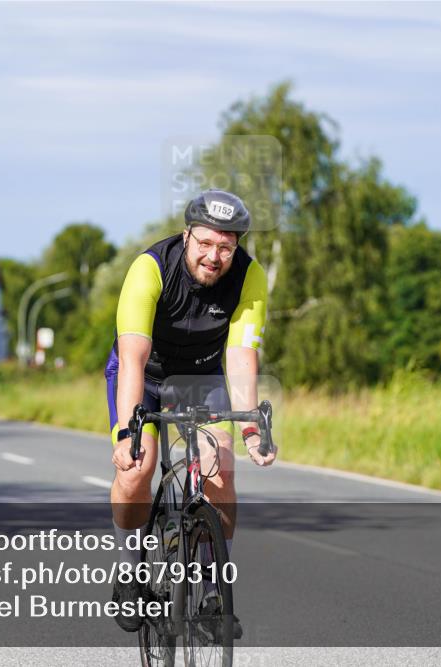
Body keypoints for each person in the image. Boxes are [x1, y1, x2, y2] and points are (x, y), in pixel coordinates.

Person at [105, 189, 276, 634]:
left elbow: (240, 357)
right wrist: (127, 432)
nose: (214, 256)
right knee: (136, 470)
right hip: (146, 374)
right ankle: (130, 574)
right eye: (205, 243)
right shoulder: (151, 268)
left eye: (226, 246)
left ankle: (213, 589)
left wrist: (251, 430)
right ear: (186, 236)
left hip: (201, 376)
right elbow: (132, 359)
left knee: (221, 468)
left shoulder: (249, 277)